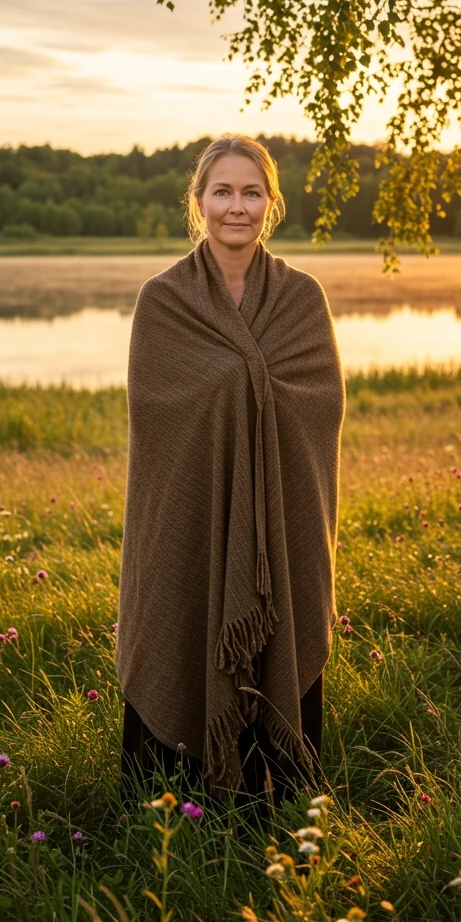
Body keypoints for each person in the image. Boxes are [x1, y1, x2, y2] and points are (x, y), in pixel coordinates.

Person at [116, 134, 346, 818]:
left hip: (279, 524)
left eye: (251, 192)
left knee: (285, 627)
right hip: (193, 522)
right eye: (222, 191)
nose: (236, 206)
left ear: (271, 205)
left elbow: (321, 406)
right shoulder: (164, 302)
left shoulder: (302, 299)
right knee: (179, 611)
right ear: (199, 202)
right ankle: (167, 801)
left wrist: (257, 409)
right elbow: (156, 420)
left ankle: (279, 801)